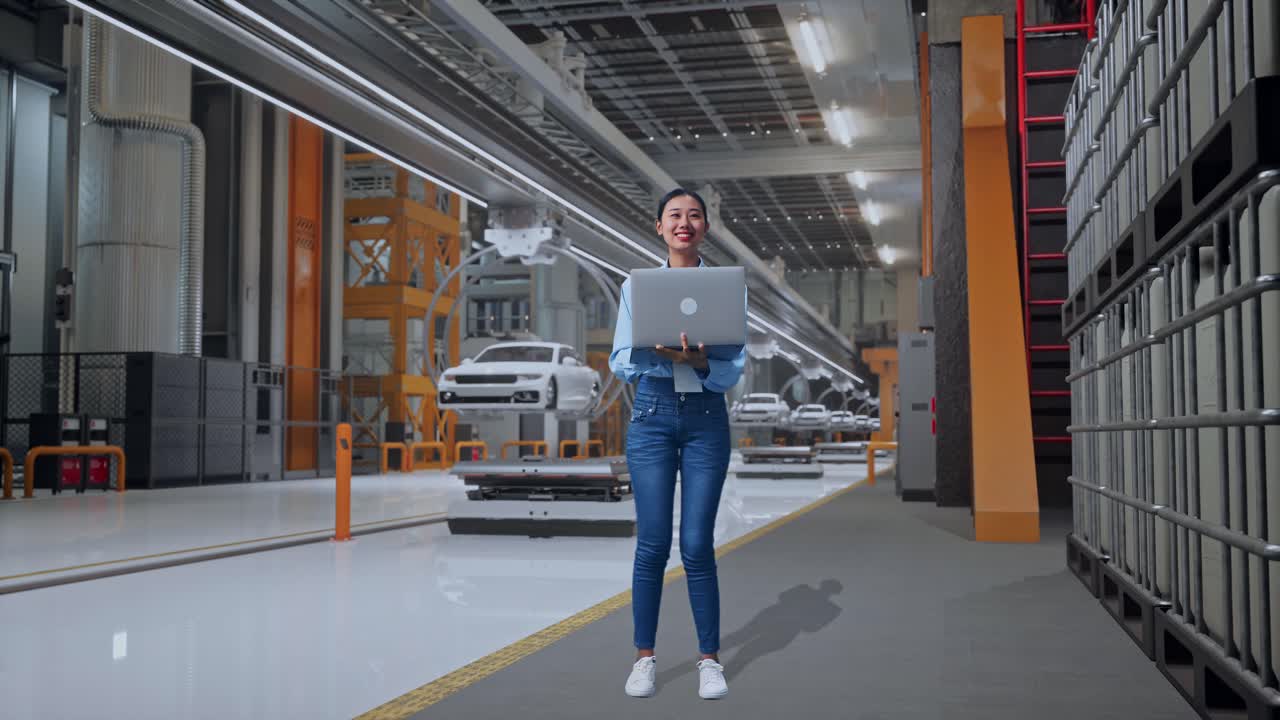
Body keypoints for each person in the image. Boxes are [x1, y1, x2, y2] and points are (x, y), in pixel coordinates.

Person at [609, 188, 747, 700]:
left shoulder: (727, 287)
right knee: (651, 545)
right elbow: (619, 359)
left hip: (706, 422)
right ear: (659, 227)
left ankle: (709, 661)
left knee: (695, 544)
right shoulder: (636, 286)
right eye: (674, 216)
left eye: (693, 215)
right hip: (651, 417)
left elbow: (735, 364)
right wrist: (665, 358)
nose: (684, 223)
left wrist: (702, 363)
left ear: (705, 228)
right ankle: (644, 658)